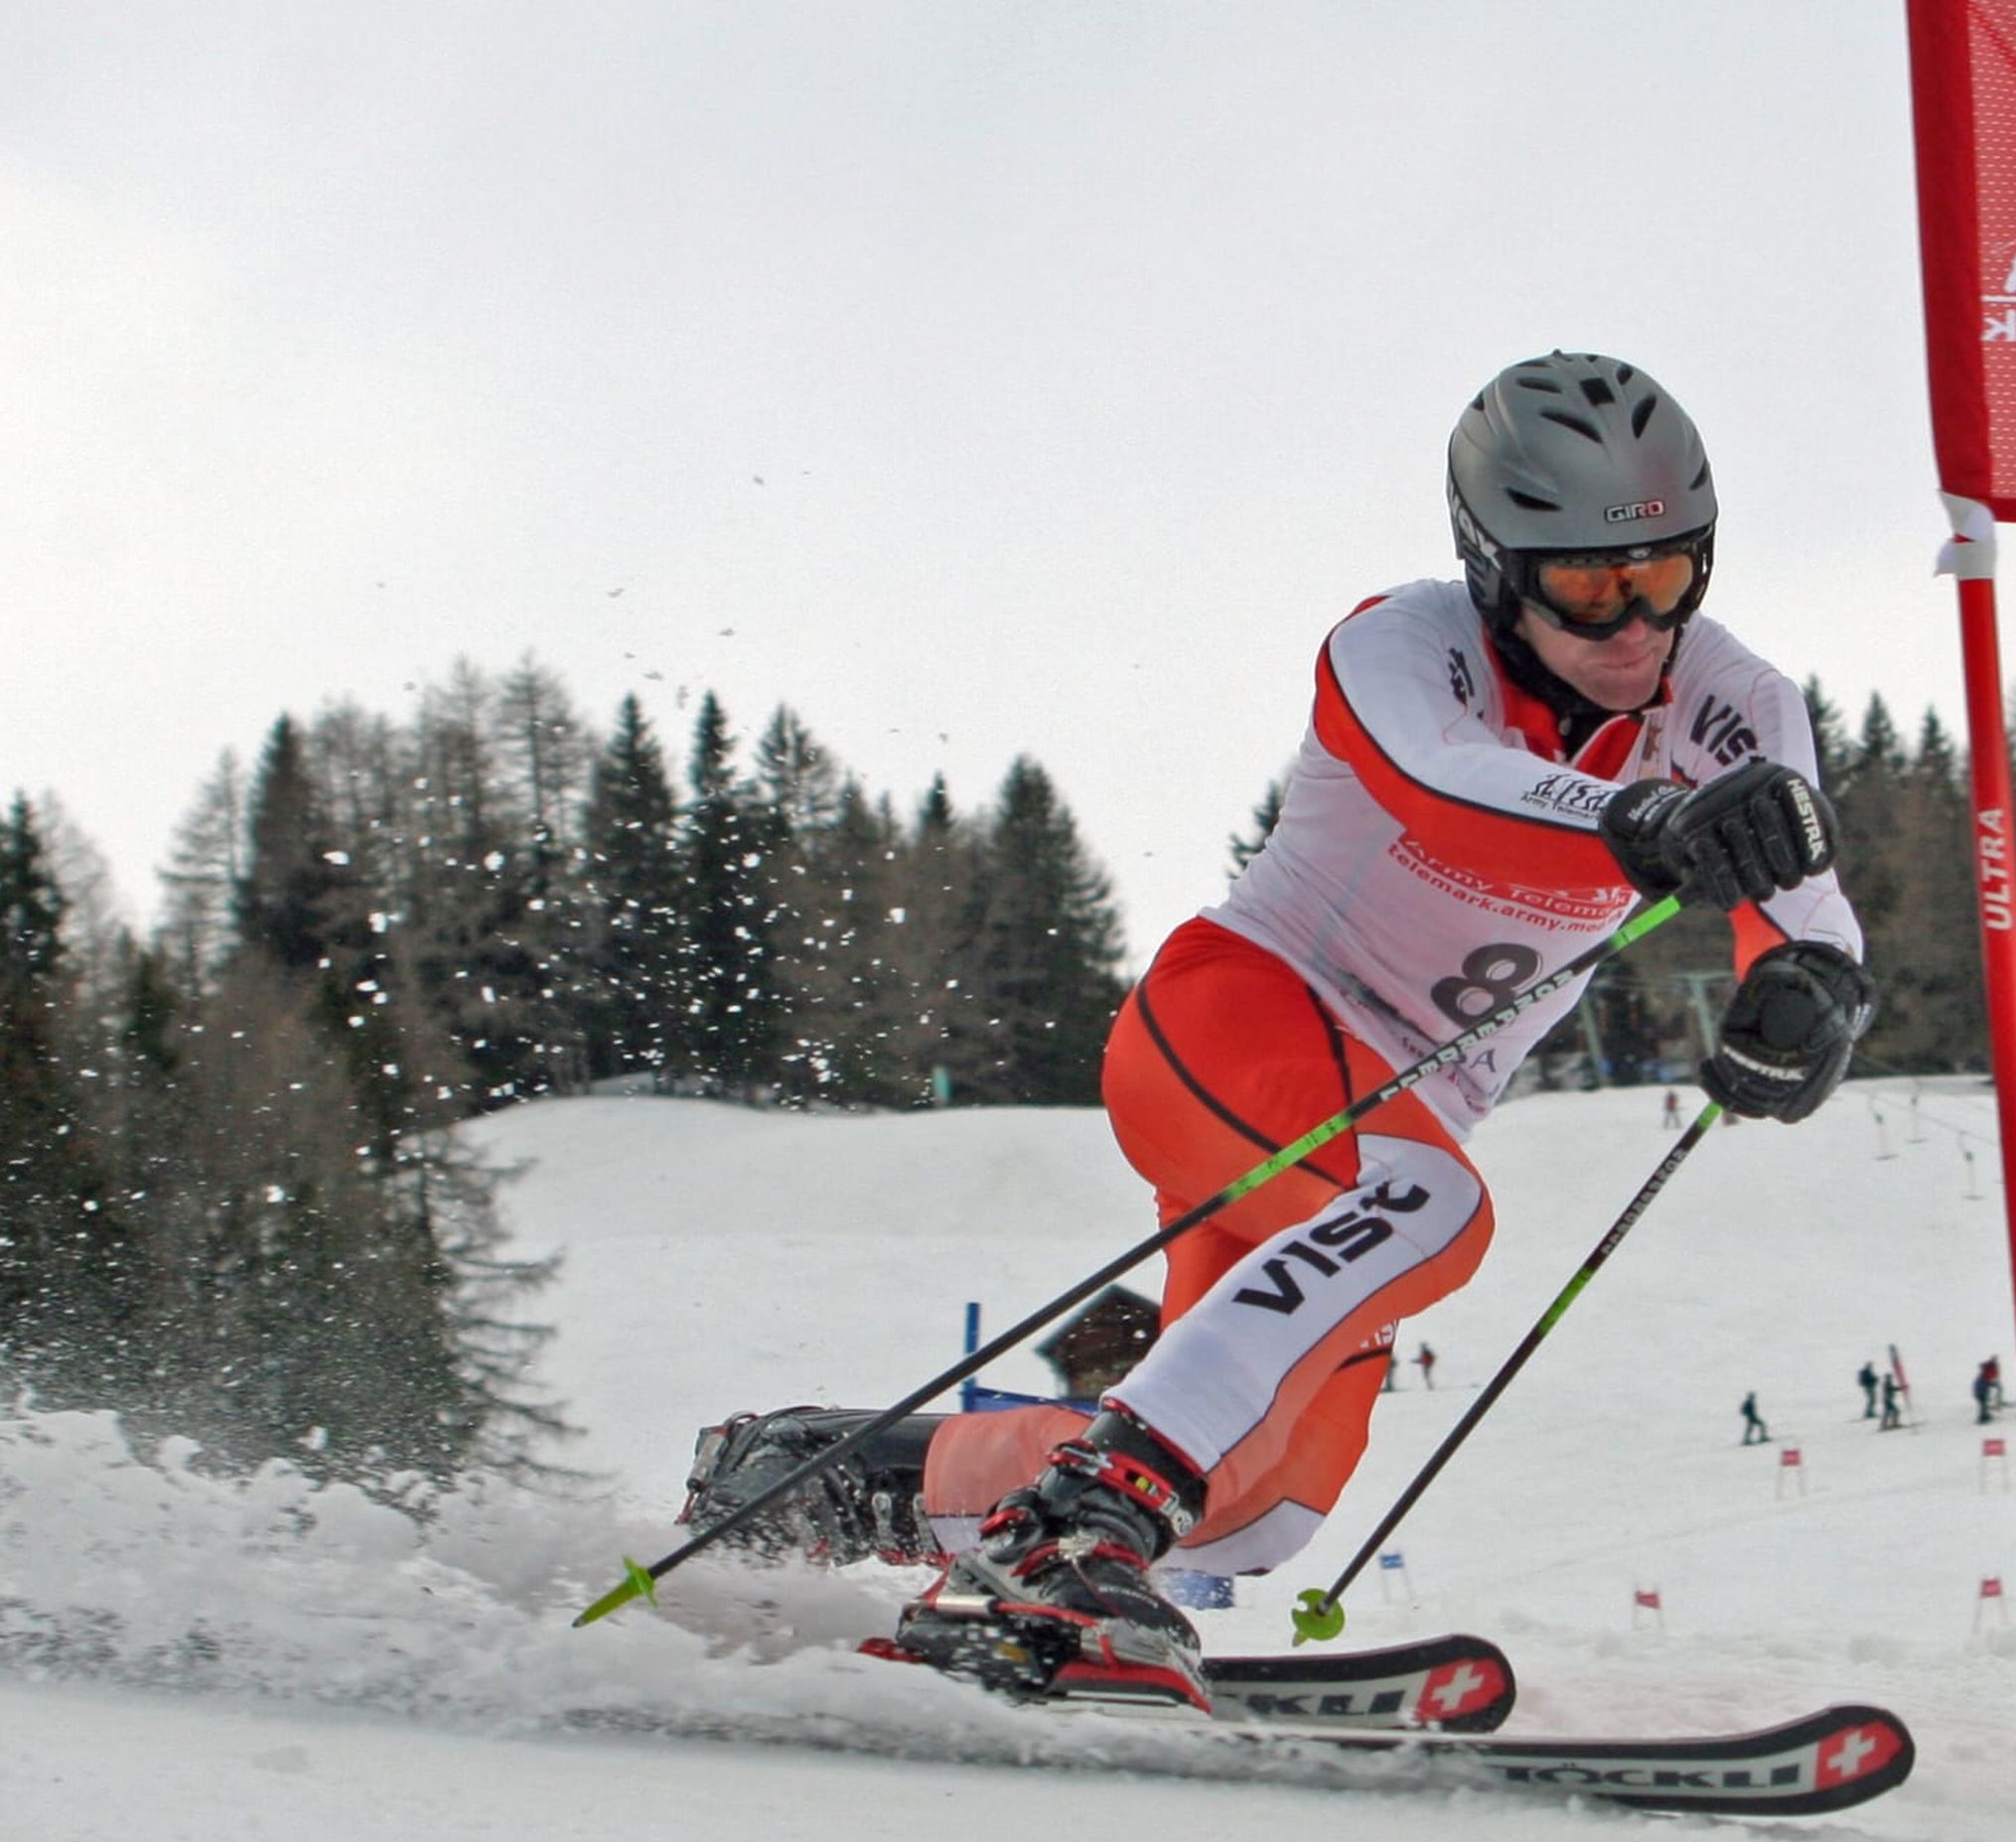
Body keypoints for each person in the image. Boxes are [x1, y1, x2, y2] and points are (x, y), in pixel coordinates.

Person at [681, 351, 1871, 1711]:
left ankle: (829, 1486)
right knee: (1433, 1209)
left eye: (1670, 574)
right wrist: (1641, 821)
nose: (1636, 625)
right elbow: (1447, 785)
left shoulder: (1735, 703)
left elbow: (1808, 906)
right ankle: (1078, 1527)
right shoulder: (1396, 648)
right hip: (1232, 1027)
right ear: (1493, 566)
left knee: (1256, 1510)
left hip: (1367, 1124)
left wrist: (1812, 992)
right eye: (1592, 587)